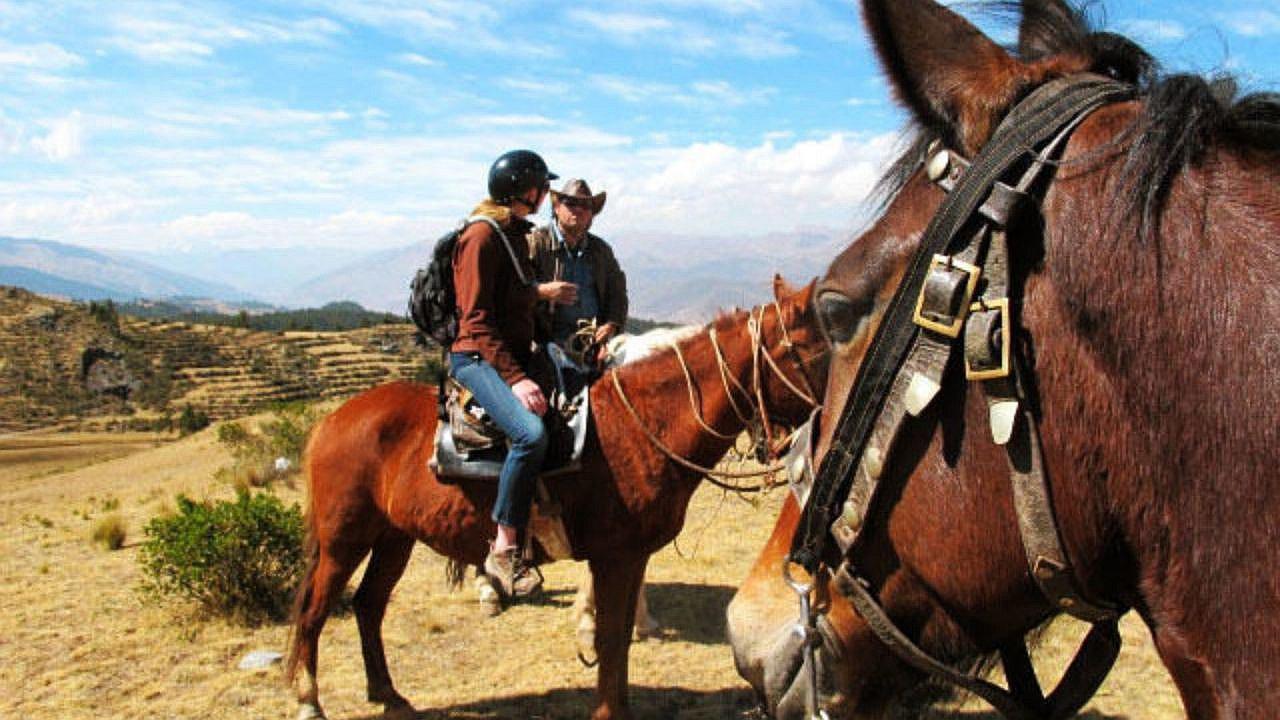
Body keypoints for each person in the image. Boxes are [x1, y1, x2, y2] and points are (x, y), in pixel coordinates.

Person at [450, 149, 556, 600]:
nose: (546, 194)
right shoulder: (481, 237)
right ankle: (505, 545)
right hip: (477, 359)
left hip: (510, 353)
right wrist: (517, 378)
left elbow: (513, 299)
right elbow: (475, 321)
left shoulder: (513, 234)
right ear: (523, 190)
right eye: (541, 187)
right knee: (530, 433)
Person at [528, 178, 628, 363]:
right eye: (571, 203)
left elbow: (617, 292)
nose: (579, 209)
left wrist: (612, 325)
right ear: (557, 208)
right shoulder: (535, 244)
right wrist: (542, 292)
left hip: (592, 347)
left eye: (586, 205)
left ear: (592, 214)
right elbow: (513, 290)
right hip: (542, 346)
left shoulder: (601, 250)